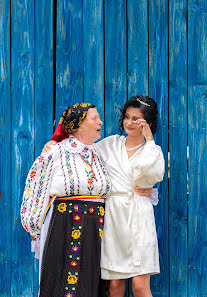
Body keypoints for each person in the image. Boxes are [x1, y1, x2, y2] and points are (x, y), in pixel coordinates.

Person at [46, 95, 165, 297]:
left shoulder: (153, 150)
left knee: (140, 286)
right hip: (113, 217)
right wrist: (56, 145)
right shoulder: (110, 145)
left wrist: (149, 138)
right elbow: (81, 150)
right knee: (115, 286)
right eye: (127, 117)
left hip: (139, 216)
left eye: (136, 119)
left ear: (148, 123)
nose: (129, 122)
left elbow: (150, 172)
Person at [21, 103, 111, 297]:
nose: (100, 122)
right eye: (94, 118)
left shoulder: (98, 153)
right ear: (78, 124)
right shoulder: (56, 152)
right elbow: (36, 187)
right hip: (66, 225)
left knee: (91, 283)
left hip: (97, 227)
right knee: (64, 282)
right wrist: (34, 226)